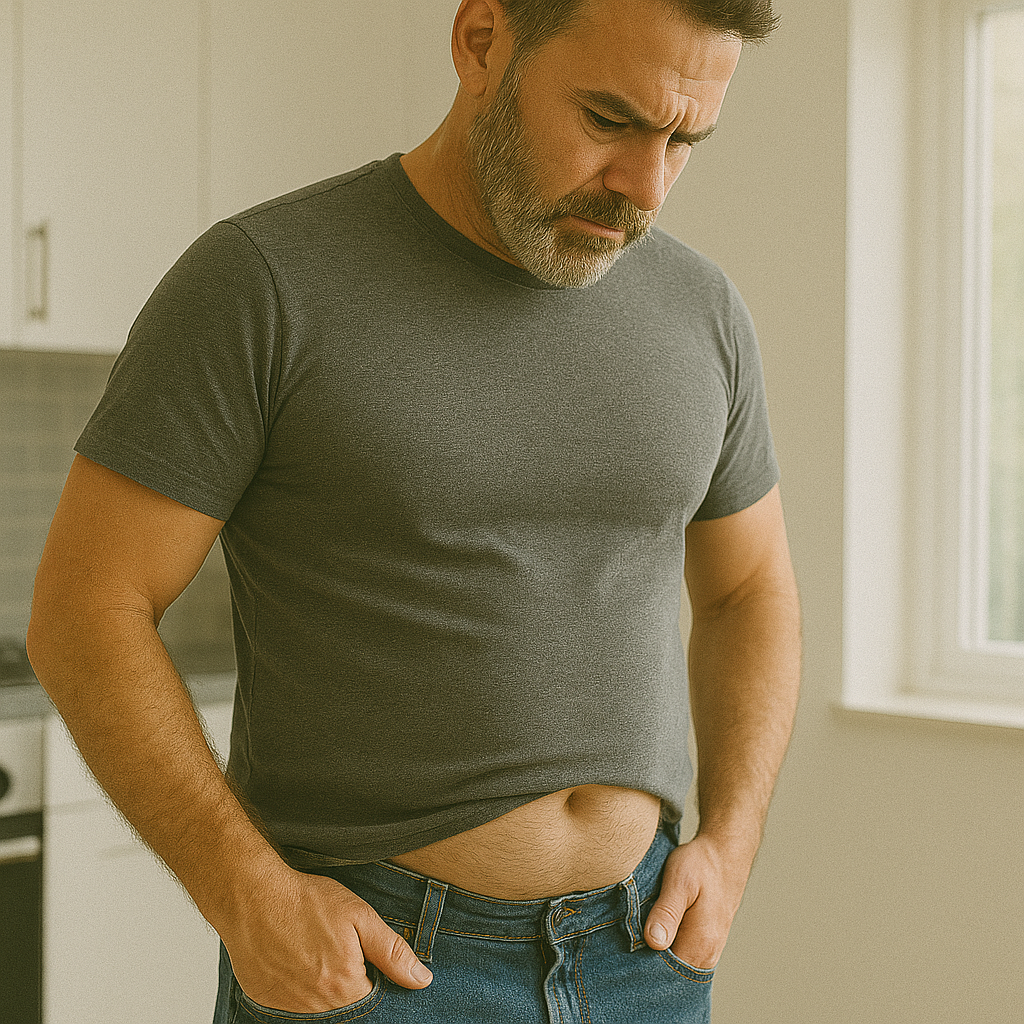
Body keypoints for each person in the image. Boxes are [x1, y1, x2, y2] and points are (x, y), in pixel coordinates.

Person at [28, 0, 801, 1020]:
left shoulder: (702, 311)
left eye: (684, 140)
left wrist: (732, 842)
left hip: (641, 957)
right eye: (609, 120)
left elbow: (749, 587)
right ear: (481, 42)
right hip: (378, 968)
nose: (644, 186)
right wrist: (248, 896)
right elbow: (86, 609)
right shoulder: (263, 282)